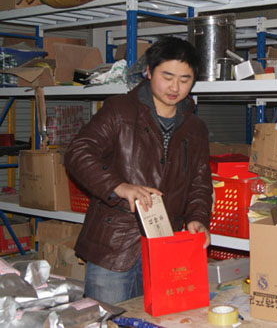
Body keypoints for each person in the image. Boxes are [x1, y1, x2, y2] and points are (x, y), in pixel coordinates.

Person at [64, 36, 213, 304]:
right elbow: (78, 152)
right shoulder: (119, 110)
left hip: (166, 243)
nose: (175, 87)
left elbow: (200, 182)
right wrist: (117, 186)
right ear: (149, 72)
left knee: (157, 319)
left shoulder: (195, 128)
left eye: (184, 79)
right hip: (115, 244)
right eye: (167, 76)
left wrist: (198, 217)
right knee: (109, 318)